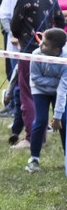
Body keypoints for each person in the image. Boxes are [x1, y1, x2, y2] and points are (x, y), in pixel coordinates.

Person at [11, 0, 66, 150]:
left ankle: (31, 136)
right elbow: (59, 19)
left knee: (27, 94)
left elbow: (14, 25)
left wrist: (21, 37)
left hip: (29, 52)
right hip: (52, 52)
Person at [26, 28, 67, 173]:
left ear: (56, 50)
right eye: (41, 42)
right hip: (40, 90)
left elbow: (63, 89)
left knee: (64, 120)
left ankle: (66, 157)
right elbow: (35, 78)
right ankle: (34, 158)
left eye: (45, 45)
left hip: (59, 92)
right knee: (41, 120)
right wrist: (56, 81)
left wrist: (57, 117)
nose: (40, 46)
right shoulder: (36, 55)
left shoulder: (65, 59)